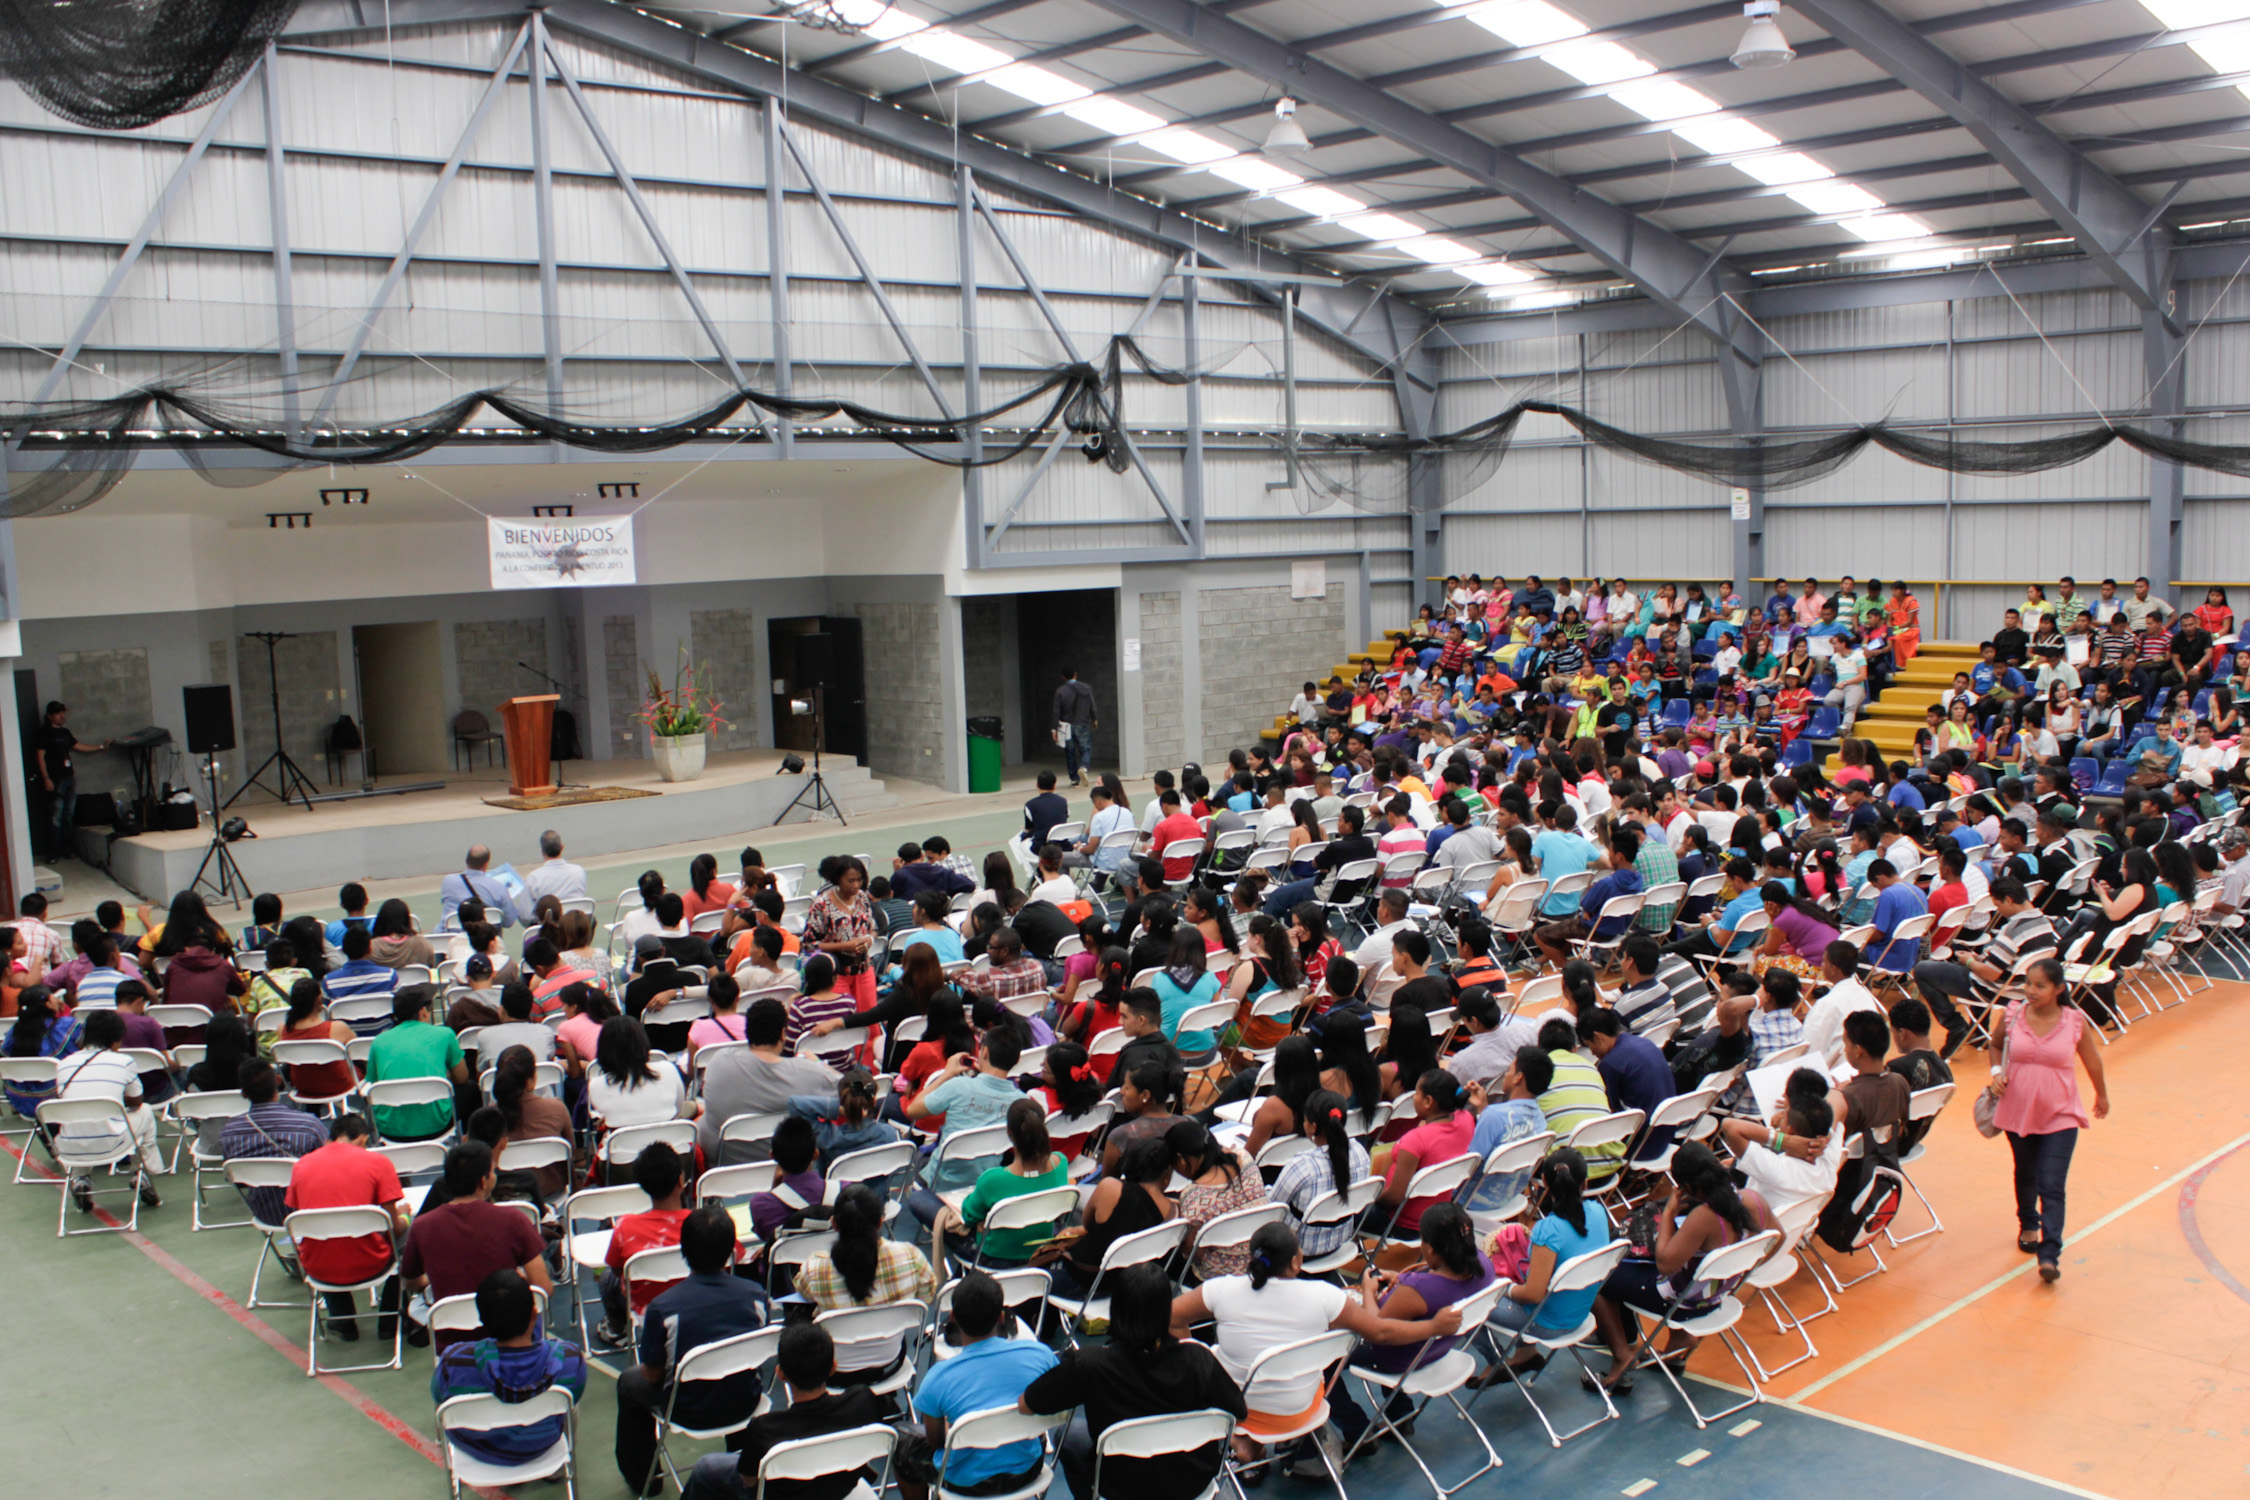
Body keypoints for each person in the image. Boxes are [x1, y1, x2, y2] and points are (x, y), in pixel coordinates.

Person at [1171, 1217, 1467, 1469]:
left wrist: (1192, 1354)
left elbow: (1170, 1318)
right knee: (1326, 1359)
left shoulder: (1220, 1290)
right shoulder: (1325, 1296)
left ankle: (1240, 1439)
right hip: (1302, 1410)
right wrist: (1433, 1326)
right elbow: (1380, 1332)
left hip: (1235, 1411)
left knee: (1208, 1358)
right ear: (1296, 1260)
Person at [1019, 1262, 1246, 1500]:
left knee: (1067, 1436)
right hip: (1193, 1484)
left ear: (1115, 1310)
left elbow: (1028, 1403)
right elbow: (1239, 1411)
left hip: (1122, 1487)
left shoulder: (1089, 1364)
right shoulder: (1199, 1358)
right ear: (1167, 1312)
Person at [1589, 1141, 1774, 1391]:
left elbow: (1665, 1263)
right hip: (1719, 1295)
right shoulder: (1754, 1200)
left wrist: (1668, 1214)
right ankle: (1678, 1342)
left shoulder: (1705, 1218)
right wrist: (1741, 1266)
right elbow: (1778, 1238)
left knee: (1600, 1276)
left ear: (1687, 1188)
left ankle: (1622, 1355)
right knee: (1640, 1270)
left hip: (1683, 1304)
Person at [618, 1205, 769, 1494]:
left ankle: (644, 1481)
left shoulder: (664, 1307)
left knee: (628, 1382)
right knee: (735, 1368)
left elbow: (651, 1376)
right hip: (745, 1401)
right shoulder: (756, 1296)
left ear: (683, 1250)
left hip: (687, 1410)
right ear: (730, 1251)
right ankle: (739, 1462)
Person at [1988, 956, 2110, 1281]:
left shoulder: (2074, 1021)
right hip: (2018, 1110)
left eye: (2039, 985)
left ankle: (2050, 1253)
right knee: (2025, 1172)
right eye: (2028, 983)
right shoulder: (2013, 1014)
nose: (2030, 990)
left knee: (2052, 1184)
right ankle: (2028, 1222)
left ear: (2058, 989)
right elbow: (1995, 1045)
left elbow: (2091, 1059)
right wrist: (1996, 1071)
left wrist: (2101, 1094)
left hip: (2061, 1115)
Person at [681, 1321, 890, 1500]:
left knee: (706, 1467)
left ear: (780, 1374)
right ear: (833, 1367)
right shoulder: (864, 1400)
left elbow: (748, 1480)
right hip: (842, 1488)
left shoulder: (764, 1429)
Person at [1473, 1147, 1614, 1381]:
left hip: (1546, 1323)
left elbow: (1532, 1294)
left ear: (1545, 1182)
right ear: (1586, 1183)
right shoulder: (1599, 1212)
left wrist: (1503, 1286)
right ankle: (1524, 1353)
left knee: (1463, 1297)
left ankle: (1497, 1361)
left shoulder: (1548, 1230)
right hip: (1579, 1315)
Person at [399, 1140, 552, 1350]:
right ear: (483, 1181)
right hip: (512, 1342)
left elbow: (412, 1282)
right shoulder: (513, 1220)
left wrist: (435, 1276)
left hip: (454, 1347)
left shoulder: (422, 1226)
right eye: (492, 1171)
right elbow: (543, 1289)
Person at [430, 1269, 587, 1466]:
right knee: (566, 1396)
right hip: (541, 1446)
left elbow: (438, 1395)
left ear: (481, 1318)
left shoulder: (454, 1360)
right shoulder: (570, 1358)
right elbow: (576, 1395)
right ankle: (558, 1468)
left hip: (477, 1448)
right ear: (533, 1314)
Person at [796, 1183, 939, 1382]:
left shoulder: (814, 1268)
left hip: (835, 1369)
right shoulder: (910, 1256)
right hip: (890, 1361)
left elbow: (804, 1292)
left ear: (834, 1224)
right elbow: (926, 1297)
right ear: (881, 1221)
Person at [287, 1114, 411, 1341]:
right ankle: (390, 1321)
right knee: (411, 1233)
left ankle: (342, 1321)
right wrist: (405, 1217)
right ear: (363, 1139)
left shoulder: (301, 1165)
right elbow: (394, 1230)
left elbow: (297, 1216)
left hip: (318, 1267)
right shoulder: (379, 1163)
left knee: (325, 1237)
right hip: (371, 1262)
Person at [52, 1007, 168, 1210]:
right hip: (114, 1144)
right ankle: (142, 1173)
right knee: (146, 1111)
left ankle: (80, 1179)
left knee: (79, 1119)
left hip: (69, 1147)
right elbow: (136, 1101)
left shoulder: (64, 1064)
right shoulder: (123, 1061)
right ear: (116, 1040)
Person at [936, 1096, 1070, 1271]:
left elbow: (969, 1216)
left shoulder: (992, 1179)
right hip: (1039, 1249)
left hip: (995, 1257)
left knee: (922, 1200)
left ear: (1009, 1133)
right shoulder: (1060, 1163)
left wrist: (985, 1219)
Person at [595, 1141, 696, 1348]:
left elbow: (616, 1270)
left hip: (646, 1312)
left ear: (642, 1186)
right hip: (697, 1303)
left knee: (606, 1277)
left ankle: (617, 1331)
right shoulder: (702, 1224)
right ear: (680, 1180)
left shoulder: (625, 1227)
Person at [217, 1058, 332, 1223]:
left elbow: (238, 1180)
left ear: (243, 1092)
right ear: (277, 1082)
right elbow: (328, 1168)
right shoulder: (309, 1125)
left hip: (266, 1215)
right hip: (311, 1210)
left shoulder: (229, 1132)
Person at [1270, 1089, 1372, 1262]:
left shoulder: (1302, 1166)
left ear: (1313, 1126)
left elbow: (1274, 1208)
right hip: (1340, 1241)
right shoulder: (1361, 1153)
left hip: (1300, 1250)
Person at [365, 986, 469, 1141]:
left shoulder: (379, 1041)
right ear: (422, 1012)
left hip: (389, 1129)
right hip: (437, 1125)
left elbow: (372, 1084)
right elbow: (462, 1078)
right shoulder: (445, 1034)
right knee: (470, 1088)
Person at [32, 701, 109, 859]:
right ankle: (53, 851)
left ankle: (66, 848)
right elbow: (40, 756)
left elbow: (78, 746)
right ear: (50, 716)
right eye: (58, 713)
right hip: (55, 779)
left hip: (69, 776)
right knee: (56, 815)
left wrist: (100, 747)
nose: (62, 716)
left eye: (63, 713)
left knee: (68, 814)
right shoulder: (44, 733)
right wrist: (46, 778)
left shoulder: (65, 732)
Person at [587, 1016, 690, 1129]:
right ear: (642, 1041)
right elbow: (678, 1108)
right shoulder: (668, 1069)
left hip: (622, 1145)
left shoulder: (596, 1085)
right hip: (671, 1143)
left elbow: (608, 1114)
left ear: (604, 1048)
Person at [441, 845, 518, 930]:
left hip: (452, 937)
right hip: (485, 940)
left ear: (467, 861)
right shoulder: (499, 887)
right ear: (486, 864)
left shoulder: (448, 881)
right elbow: (509, 921)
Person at [1054, 667, 1099, 786]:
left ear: (1063, 677)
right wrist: (1094, 719)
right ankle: (1083, 767)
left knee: (1070, 751)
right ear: (1075, 674)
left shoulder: (1060, 691)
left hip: (1066, 726)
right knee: (1085, 748)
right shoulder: (1086, 688)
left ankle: (1074, 778)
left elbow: (1056, 711)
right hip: (1082, 723)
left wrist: (1054, 728)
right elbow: (1092, 705)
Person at [367, 899, 436, 971]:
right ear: (407, 920)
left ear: (381, 920)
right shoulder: (423, 944)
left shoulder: (370, 948)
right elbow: (430, 967)